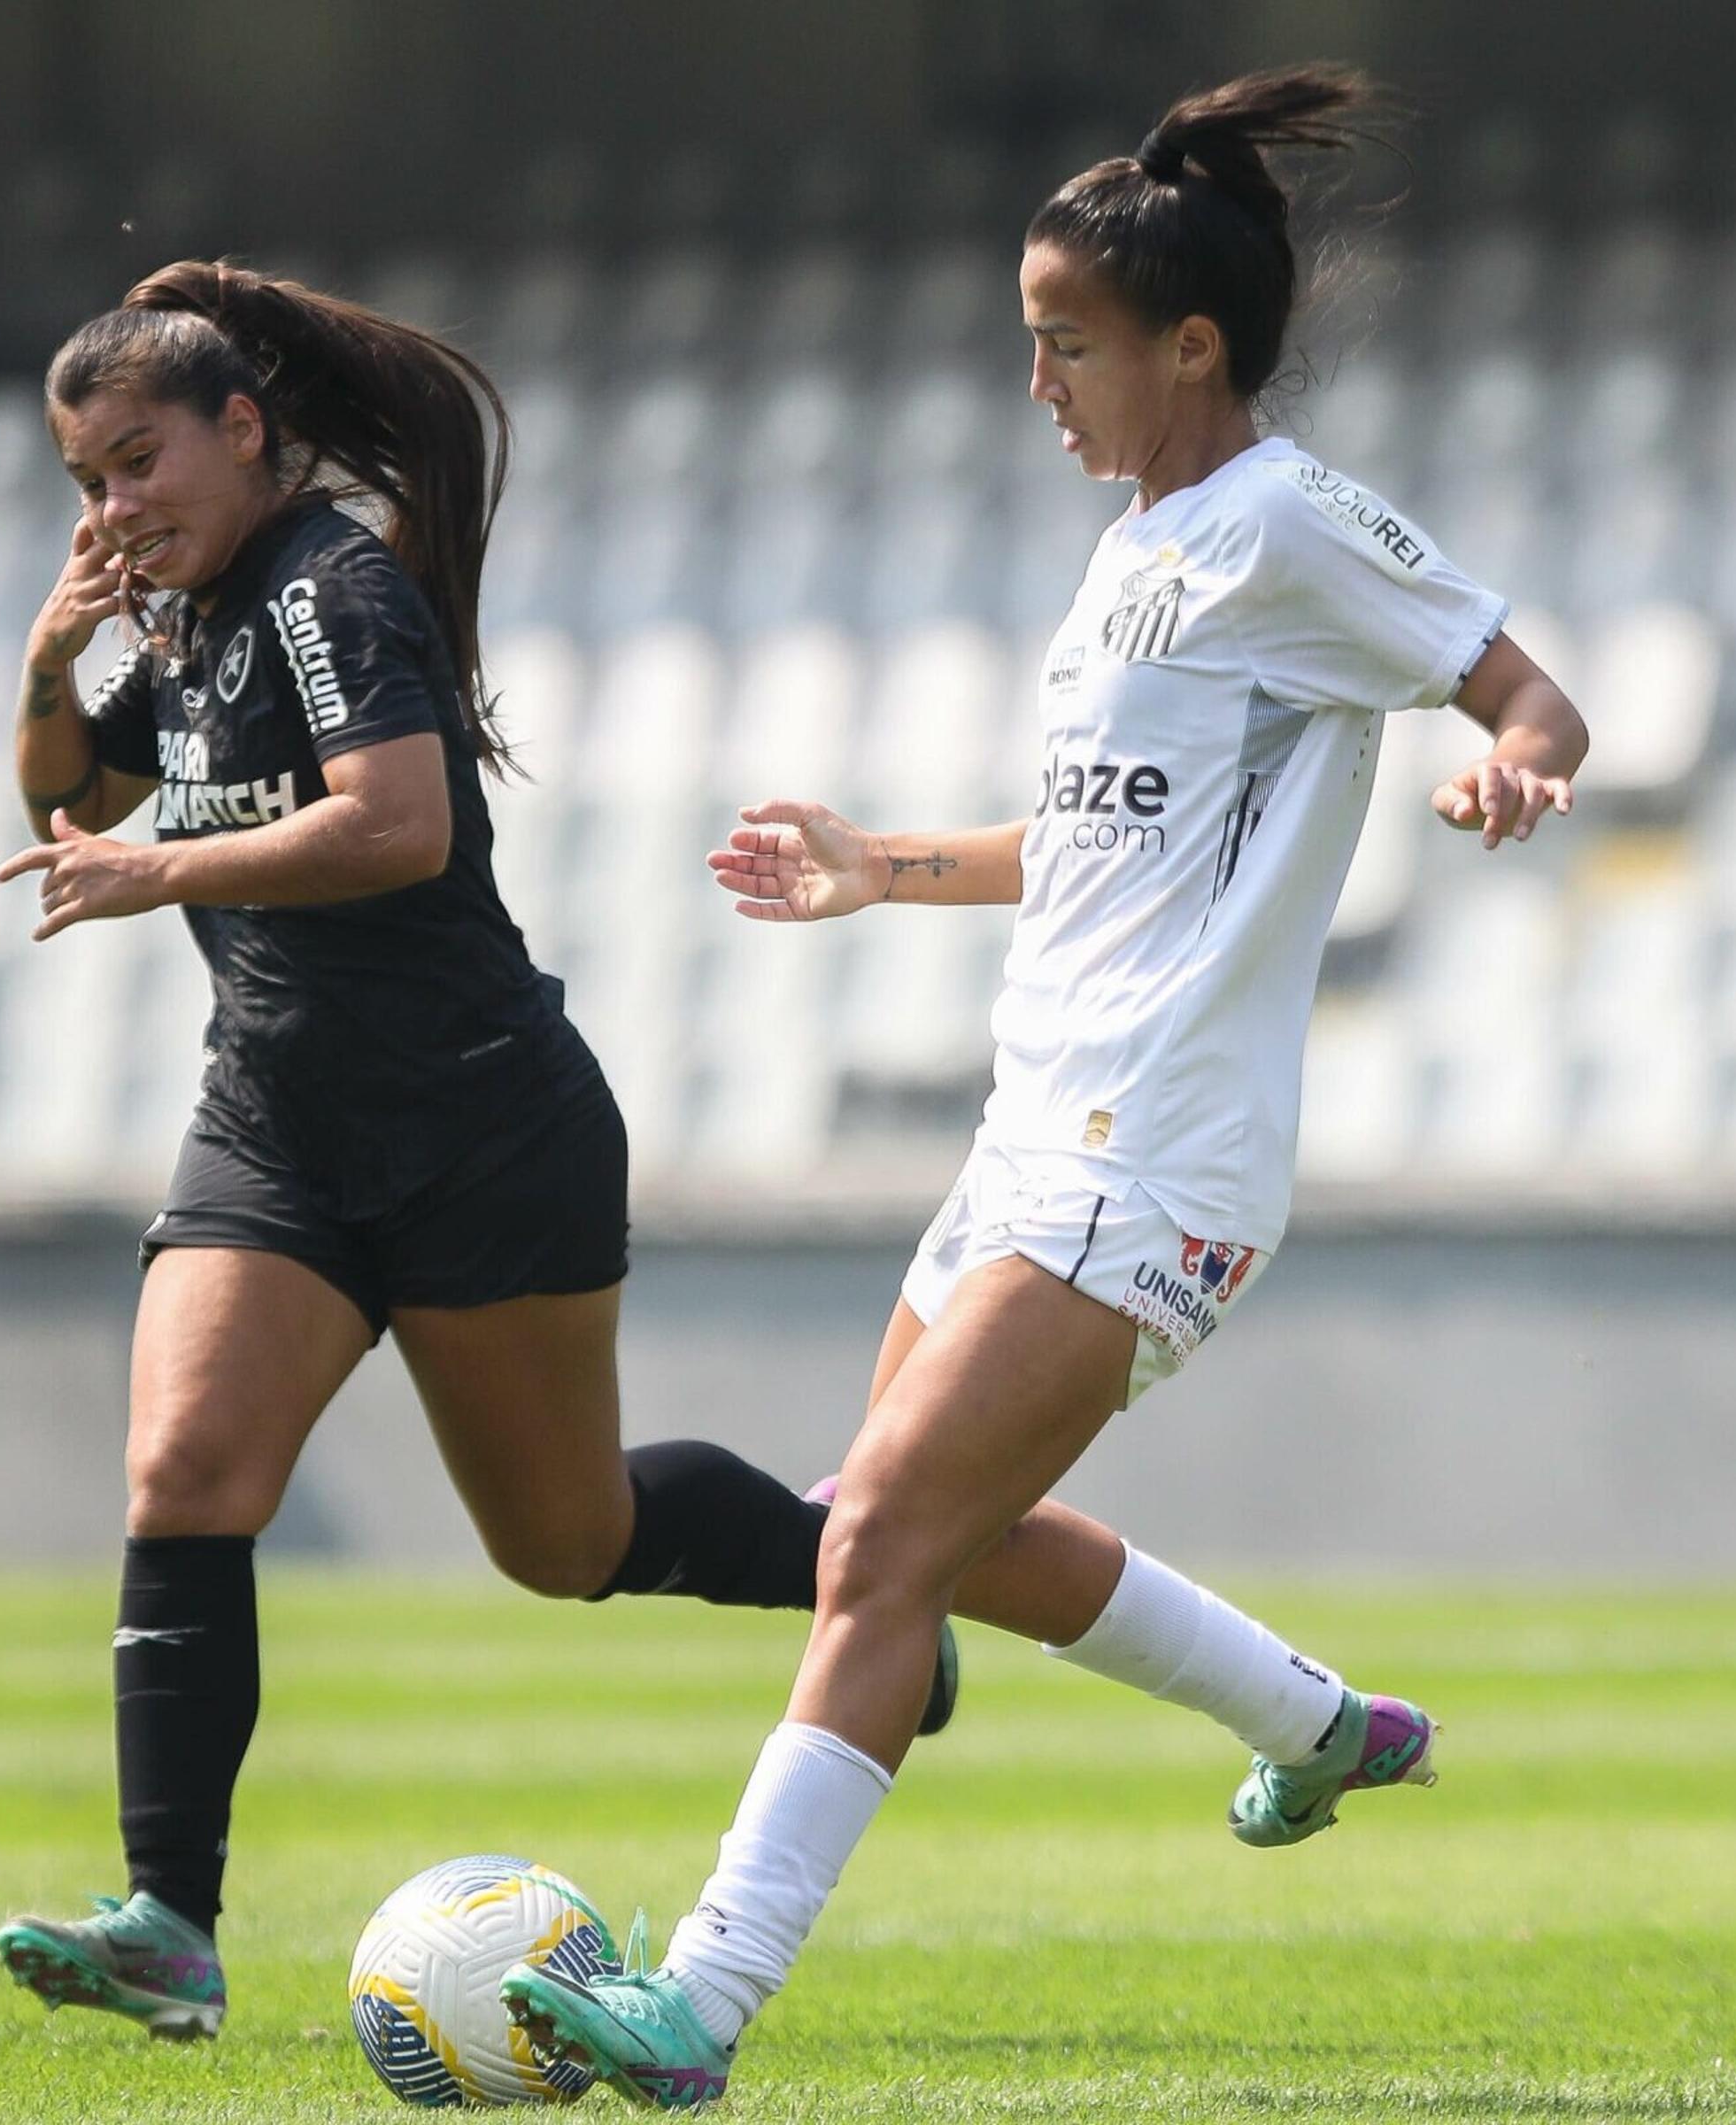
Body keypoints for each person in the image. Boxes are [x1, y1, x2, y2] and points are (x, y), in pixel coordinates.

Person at [501, 67, 1589, 2108]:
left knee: (877, 1544)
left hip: (1157, 1149)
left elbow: (1525, 688)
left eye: (1061, 341)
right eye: (1023, 339)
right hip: (1031, 1124)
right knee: (938, 1531)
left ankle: (700, 2001)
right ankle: (1320, 1720)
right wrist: (873, 867)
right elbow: (1095, 838)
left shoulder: (1282, 520)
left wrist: (1504, 761)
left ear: (1189, 345)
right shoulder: (1137, 553)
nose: (1033, 383)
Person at [0, 259, 965, 2042]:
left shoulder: (325, 580)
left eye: (139, 464)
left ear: (246, 430)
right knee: (186, 1472)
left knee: (565, 1541)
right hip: (277, 1129)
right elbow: (72, 798)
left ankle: (863, 1581)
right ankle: (172, 1923)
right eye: (86, 484)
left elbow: (400, 824)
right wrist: (53, 656)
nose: (117, 508)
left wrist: (157, 876)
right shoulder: (184, 611)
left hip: (478, 1125)